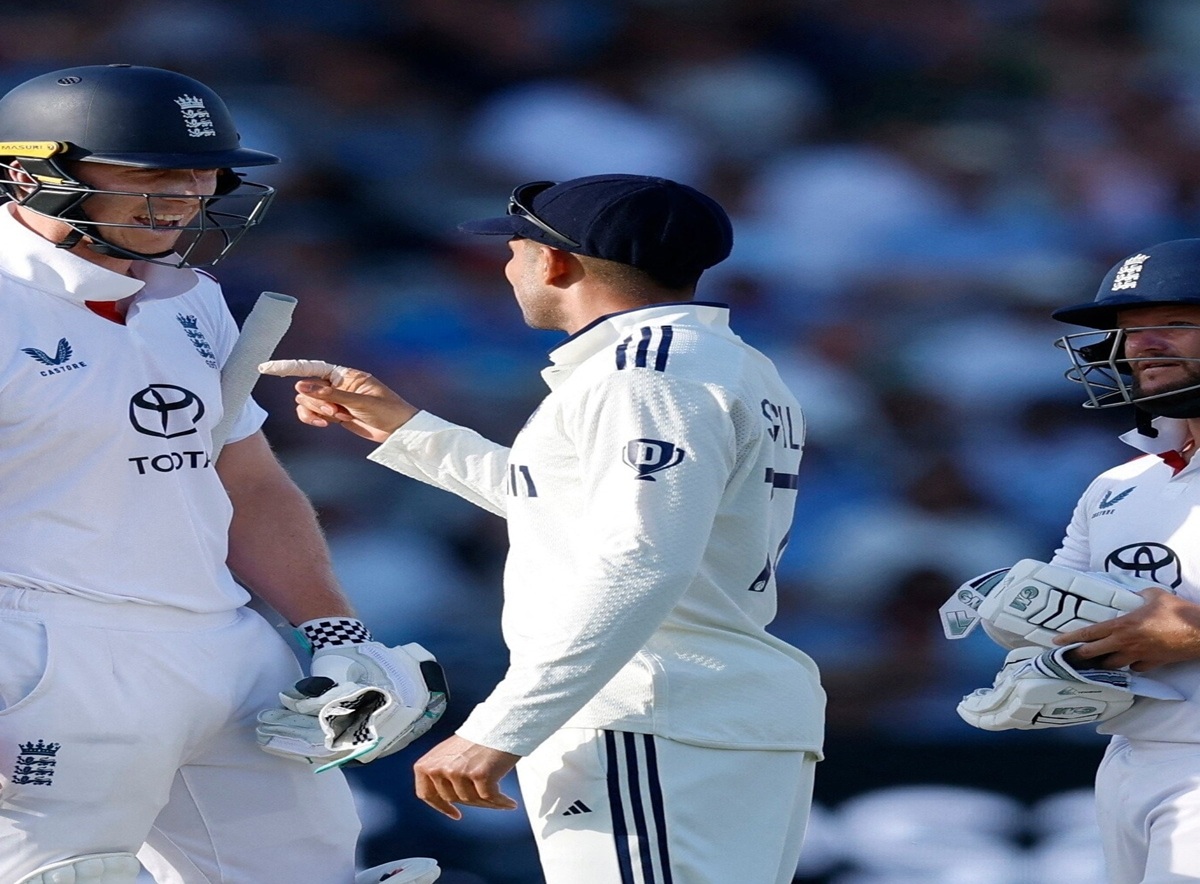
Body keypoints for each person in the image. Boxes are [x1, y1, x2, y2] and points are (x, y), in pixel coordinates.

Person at [260, 174, 826, 884]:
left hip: (650, 711)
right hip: (697, 711)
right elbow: (578, 510)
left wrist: (500, 727)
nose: (508, 267)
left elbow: (641, 560)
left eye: (515, 249)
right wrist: (409, 431)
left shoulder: (645, 375)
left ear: (555, 262)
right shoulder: (724, 362)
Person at [0, 64, 442, 884]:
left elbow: (246, 482)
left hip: (224, 645)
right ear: (31, 174)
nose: (184, 197)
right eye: (148, 174)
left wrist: (337, 636)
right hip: (46, 652)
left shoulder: (193, 296)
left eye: (201, 173)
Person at [956, 238, 1200, 883]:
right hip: (1128, 755)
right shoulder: (1118, 486)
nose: (1143, 345)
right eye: (1130, 329)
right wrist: (1042, 649)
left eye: (1175, 321)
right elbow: (1068, 618)